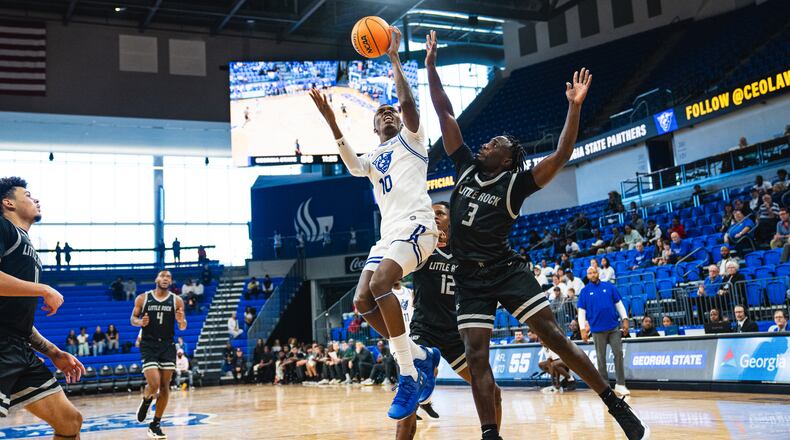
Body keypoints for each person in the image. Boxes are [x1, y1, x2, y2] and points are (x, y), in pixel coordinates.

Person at [425, 33, 646, 440]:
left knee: (554, 337)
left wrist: (574, 108)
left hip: (505, 270)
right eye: (488, 140)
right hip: (469, 278)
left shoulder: (517, 183)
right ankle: (490, 432)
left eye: (496, 144)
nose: (487, 143)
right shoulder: (465, 167)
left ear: (507, 158)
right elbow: (445, 114)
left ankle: (613, 402)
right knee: (476, 356)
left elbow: (562, 154)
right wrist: (432, 67)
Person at [309, 25, 440, 421]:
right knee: (363, 301)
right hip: (387, 238)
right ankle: (421, 355)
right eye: (380, 113)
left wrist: (393, 57)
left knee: (382, 284)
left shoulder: (413, 140)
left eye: (392, 111)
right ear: (373, 127)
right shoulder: (373, 156)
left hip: (418, 226)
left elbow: (407, 101)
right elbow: (351, 164)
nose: (388, 113)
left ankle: (408, 374)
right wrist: (331, 120)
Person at [396, 201, 502, 440]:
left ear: (451, 220)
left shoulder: (464, 253)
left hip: (456, 334)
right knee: (409, 404)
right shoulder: (423, 248)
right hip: (424, 332)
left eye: (440, 213)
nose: (434, 217)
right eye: (430, 214)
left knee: (493, 393)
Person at [0, 179, 84, 435]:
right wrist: (43, 289)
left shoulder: (27, 247)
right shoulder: (3, 227)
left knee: (70, 421)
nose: (35, 199)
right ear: (8, 202)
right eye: (27, 194)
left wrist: (53, 352)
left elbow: (17, 317)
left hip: (17, 346)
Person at [131, 270, 187, 439]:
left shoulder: (177, 300)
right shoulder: (143, 298)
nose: (165, 278)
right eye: (162, 276)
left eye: (168, 277)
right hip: (149, 345)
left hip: (167, 346)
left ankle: (155, 424)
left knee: (164, 386)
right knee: (154, 384)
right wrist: (140, 322)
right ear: (156, 279)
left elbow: (183, 326)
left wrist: (181, 320)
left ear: (170, 282)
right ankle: (147, 399)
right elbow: (132, 319)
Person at [579, 266, 630, 396]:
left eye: (594, 272)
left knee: (618, 354)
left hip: (613, 327)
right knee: (601, 358)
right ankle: (605, 386)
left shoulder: (609, 287)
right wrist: (582, 329)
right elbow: (581, 312)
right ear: (588, 276)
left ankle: (620, 384)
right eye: (590, 273)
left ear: (598, 273)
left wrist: (625, 319)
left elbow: (619, 304)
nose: (592, 274)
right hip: (596, 330)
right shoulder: (584, 291)